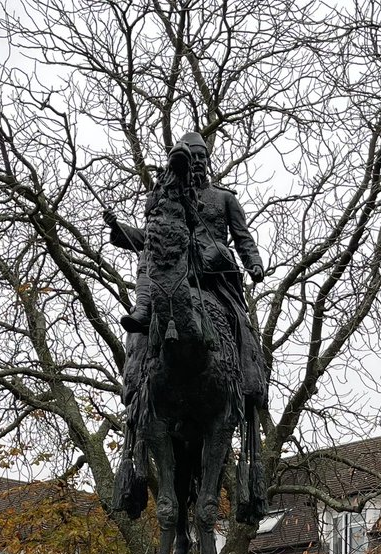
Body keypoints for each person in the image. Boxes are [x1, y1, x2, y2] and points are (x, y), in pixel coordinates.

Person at [103, 130, 268, 410]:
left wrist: (254, 262)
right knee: (150, 253)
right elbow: (152, 235)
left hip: (212, 269)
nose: (199, 162)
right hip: (176, 264)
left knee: (219, 256)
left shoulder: (225, 199)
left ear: (208, 162)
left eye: (203, 157)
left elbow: (243, 237)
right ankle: (142, 316)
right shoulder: (173, 196)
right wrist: (118, 229)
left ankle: (247, 379)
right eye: (194, 158)